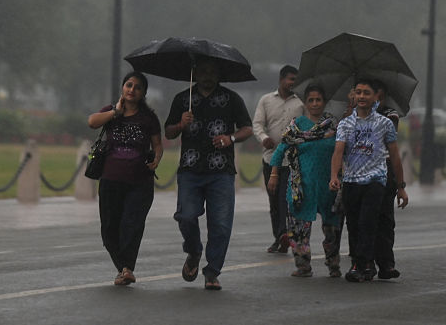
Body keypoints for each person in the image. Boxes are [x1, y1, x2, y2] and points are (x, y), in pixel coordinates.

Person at [164, 58, 253, 291]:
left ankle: (212, 271)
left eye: (212, 72)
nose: (207, 76)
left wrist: (230, 138)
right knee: (186, 216)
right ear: (194, 72)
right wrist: (181, 124)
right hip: (190, 170)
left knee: (221, 225)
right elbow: (169, 131)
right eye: (202, 71)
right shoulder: (183, 99)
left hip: (221, 172)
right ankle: (193, 251)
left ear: (219, 74)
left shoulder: (232, 98)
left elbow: (247, 128)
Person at [87, 71, 163, 286]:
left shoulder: (149, 118)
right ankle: (122, 268)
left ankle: (127, 268)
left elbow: (158, 144)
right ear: (122, 88)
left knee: (132, 224)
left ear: (143, 93)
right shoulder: (110, 112)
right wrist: (115, 113)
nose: (132, 90)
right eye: (129, 85)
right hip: (111, 180)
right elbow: (92, 122)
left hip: (139, 182)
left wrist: (157, 159)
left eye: (137, 87)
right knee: (109, 228)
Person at [329, 78, 408, 283]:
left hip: (375, 180)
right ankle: (363, 264)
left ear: (376, 97)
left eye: (367, 93)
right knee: (354, 224)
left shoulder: (385, 124)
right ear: (354, 96)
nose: (362, 96)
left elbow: (395, 156)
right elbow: (338, 151)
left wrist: (401, 187)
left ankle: (361, 264)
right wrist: (334, 176)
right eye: (359, 92)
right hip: (351, 181)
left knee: (368, 222)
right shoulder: (346, 123)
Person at [267, 84, 341, 278]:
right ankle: (303, 265)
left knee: (332, 226)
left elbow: (343, 150)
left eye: (318, 100)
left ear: (324, 102)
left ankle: (333, 264)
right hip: (302, 185)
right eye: (311, 100)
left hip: (328, 184)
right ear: (305, 103)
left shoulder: (334, 125)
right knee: (298, 226)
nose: (315, 103)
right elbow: (281, 149)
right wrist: (274, 174)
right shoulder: (296, 125)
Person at [252, 64, 304, 253]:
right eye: (290, 79)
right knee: (274, 201)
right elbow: (257, 124)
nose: (293, 84)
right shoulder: (266, 100)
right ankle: (279, 237)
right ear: (281, 80)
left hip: (293, 161)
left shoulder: (301, 103)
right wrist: (264, 138)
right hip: (270, 158)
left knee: (286, 199)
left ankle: (285, 234)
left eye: (295, 81)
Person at [373, 82, 402, 279]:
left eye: (378, 98)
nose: (373, 100)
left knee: (385, 220)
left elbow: (387, 145)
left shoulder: (390, 116)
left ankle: (386, 264)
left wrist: (401, 185)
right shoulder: (352, 116)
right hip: (358, 173)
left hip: (384, 172)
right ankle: (363, 262)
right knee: (361, 221)